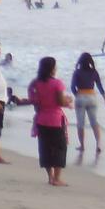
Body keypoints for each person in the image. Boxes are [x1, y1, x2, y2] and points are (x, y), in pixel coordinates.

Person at [27, 56, 72, 187]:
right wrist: (68, 100)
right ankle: (57, 178)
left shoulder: (37, 83)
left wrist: (36, 102)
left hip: (42, 118)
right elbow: (60, 102)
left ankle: (50, 177)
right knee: (59, 148)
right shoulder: (57, 83)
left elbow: (31, 92)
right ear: (52, 68)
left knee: (45, 148)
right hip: (56, 120)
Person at [70, 53, 105, 154]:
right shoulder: (94, 72)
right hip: (92, 97)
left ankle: (82, 146)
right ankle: (98, 145)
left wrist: (78, 95)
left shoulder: (77, 72)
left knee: (80, 124)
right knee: (94, 122)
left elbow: (72, 87)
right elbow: (100, 86)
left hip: (80, 97)